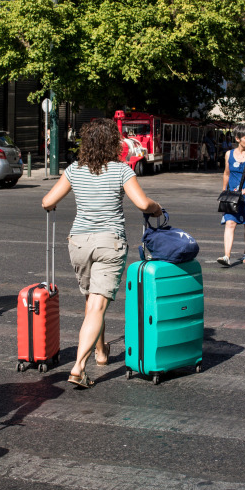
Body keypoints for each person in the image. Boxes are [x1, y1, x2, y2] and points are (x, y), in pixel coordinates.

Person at [41, 118, 162, 388]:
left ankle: (100, 351)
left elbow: (47, 201)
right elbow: (142, 203)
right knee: (97, 304)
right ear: (112, 144)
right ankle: (79, 368)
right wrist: (157, 208)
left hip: (79, 244)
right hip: (110, 242)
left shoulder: (74, 169)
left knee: (92, 301)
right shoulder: (121, 171)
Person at [217, 124, 245, 267]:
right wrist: (224, 190)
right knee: (230, 223)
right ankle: (226, 256)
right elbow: (226, 173)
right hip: (232, 195)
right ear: (238, 138)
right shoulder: (229, 154)